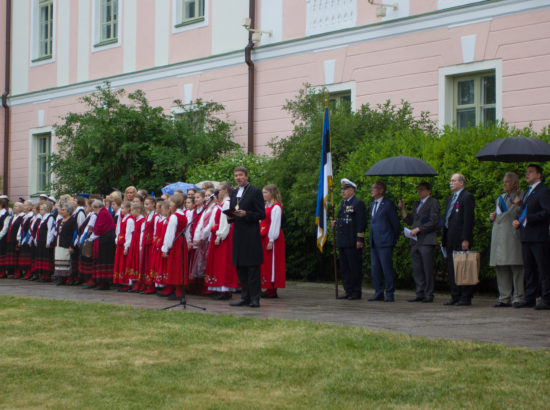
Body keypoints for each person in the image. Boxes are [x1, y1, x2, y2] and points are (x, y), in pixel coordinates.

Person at [512, 164, 550, 310]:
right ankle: (530, 297)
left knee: (543, 268)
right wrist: (519, 221)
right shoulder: (528, 192)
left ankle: (546, 298)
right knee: (529, 269)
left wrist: (528, 218)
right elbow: (525, 213)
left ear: (539, 175)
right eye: (526, 172)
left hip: (539, 237)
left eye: (530, 172)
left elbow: (546, 212)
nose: (527, 174)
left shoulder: (544, 191)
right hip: (526, 235)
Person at [228, 166, 266, 308]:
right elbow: (232, 211)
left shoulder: (255, 191)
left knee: (252, 268)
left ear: (246, 176)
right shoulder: (234, 192)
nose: (238, 177)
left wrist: (246, 214)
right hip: (238, 233)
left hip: (250, 233)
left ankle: (255, 298)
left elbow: (261, 214)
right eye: (236, 175)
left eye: (240, 175)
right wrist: (230, 216)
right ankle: (245, 297)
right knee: (240, 267)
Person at [398, 182, 441, 303]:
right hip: (415, 241)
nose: (419, 192)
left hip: (426, 240)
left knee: (427, 268)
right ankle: (419, 292)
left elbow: (433, 221)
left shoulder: (433, 202)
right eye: (418, 190)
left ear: (429, 191)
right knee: (417, 268)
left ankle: (428, 294)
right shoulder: (417, 204)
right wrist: (403, 209)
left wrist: (419, 229)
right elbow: (411, 220)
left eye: (422, 190)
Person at [489, 172, 524, 307]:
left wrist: (518, 205)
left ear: (515, 183)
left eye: (508, 182)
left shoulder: (520, 196)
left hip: (512, 235)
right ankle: (504, 297)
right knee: (501, 267)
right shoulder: (501, 198)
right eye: (504, 181)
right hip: (498, 235)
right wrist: (492, 218)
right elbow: (498, 216)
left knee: (516, 267)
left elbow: (523, 213)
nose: (504, 184)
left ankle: (518, 297)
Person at [442, 173, 475, 306]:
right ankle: (455, 295)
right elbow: (446, 219)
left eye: (454, 181)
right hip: (450, 238)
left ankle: (465, 296)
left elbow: (468, 219)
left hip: (461, 238)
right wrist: (443, 239)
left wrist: (466, 239)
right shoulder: (450, 198)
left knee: (463, 267)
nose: (451, 183)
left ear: (462, 183)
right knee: (452, 268)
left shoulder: (467, 197)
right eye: (451, 181)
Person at [331, 179, 366, 300]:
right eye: (342, 190)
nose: (343, 192)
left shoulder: (358, 203)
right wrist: (336, 222)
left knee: (354, 267)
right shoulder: (343, 204)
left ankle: (356, 292)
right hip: (343, 240)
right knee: (345, 267)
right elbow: (344, 220)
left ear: (352, 190)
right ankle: (348, 290)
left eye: (345, 189)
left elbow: (361, 222)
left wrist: (359, 239)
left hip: (352, 241)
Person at [368, 181, 400, 302]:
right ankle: (378, 291)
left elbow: (395, 224)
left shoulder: (388, 204)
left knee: (386, 268)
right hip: (374, 241)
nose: (372, 190)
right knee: (375, 268)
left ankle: (390, 293)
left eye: (374, 188)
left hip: (385, 241)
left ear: (381, 190)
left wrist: (392, 238)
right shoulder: (372, 205)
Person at [205, 182, 238, 300]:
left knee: (224, 262)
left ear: (225, 191)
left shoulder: (227, 203)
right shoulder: (224, 203)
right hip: (222, 235)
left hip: (224, 236)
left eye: (219, 190)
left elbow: (226, 222)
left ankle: (225, 290)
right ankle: (220, 288)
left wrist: (219, 236)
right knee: (220, 263)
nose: (217, 192)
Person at [259, 184, 286, 299]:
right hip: (265, 236)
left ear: (272, 193)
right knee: (266, 263)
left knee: (272, 262)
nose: (263, 195)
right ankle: (267, 286)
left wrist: (271, 239)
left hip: (273, 238)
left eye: (265, 192)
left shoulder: (276, 207)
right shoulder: (266, 206)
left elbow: (275, 224)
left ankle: (272, 289)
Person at [160, 194, 188, 301]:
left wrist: (165, 248)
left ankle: (178, 293)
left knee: (176, 267)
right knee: (180, 266)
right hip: (182, 242)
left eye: (171, 202)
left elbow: (169, 234)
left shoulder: (174, 216)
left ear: (175, 203)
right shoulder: (184, 215)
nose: (169, 203)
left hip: (176, 243)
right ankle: (179, 291)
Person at [89, 200, 116, 291]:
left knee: (104, 261)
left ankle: (104, 283)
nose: (94, 211)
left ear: (97, 207)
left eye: (94, 209)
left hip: (106, 241)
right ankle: (101, 282)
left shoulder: (103, 213)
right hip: (104, 239)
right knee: (101, 261)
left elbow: (100, 227)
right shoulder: (103, 212)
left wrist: (91, 237)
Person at [54, 203, 78, 286]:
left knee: (68, 262)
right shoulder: (60, 220)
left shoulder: (72, 220)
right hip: (60, 242)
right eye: (62, 209)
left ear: (69, 211)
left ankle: (70, 279)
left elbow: (75, 233)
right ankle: (61, 279)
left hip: (68, 244)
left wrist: (72, 245)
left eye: (64, 210)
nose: (62, 211)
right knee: (60, 262)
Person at [139, 196, 158, 294]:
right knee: (145, 264)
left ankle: (151, 285)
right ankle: (144, 283)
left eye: (147, 204)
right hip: (145, 242)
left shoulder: (155, 216)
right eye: (145, 204)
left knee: (150, 264)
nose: (145, 206)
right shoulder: (148, 215)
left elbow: (155, 230)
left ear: (153, 204)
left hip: (151, 243)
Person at [113, 202, 134, 291]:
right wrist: (117, 239)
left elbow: (129, 234)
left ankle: (126, 283)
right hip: (120, 244)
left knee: (125, 264)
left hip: (125, 244)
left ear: (128, 209)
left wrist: (126, 246)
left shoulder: (129, 219)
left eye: (123, 208)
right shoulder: (123, 218)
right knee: (120, 263)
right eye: (121, 208)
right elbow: (119, 231)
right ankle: (121, 281)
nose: (121, 210)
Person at [126, 202, 145, 292]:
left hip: (138, 242)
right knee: (133, 261)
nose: (131, 212)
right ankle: (134, 282)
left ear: (138, 210)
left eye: (133, 210)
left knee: (138, 261)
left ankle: (139, 283)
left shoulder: (142, 220)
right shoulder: (135, 220)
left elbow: (142, 233)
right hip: (134, 241)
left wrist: (140, 245)